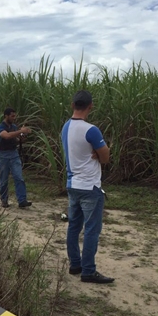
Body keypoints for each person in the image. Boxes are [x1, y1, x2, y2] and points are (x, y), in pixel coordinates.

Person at [61, 91, 114, 284]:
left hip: (72, 184)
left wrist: (95, 153)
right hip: (90, 186)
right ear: (90, 106)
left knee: (74, 226)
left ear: (72, 104)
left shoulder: (66, 127)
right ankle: (89, 270)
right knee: (91, 229)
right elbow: (106, 157)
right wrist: (98, 153)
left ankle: (75, 264)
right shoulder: (91, 130)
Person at [0, 108, 32, 208]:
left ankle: (22, 200)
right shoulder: (0, 127)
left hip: (14, 154)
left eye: (14, 116)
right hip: (3, 155)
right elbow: (6, 136)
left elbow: (15, 138)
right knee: (4, 179)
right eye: (12, 116)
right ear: (6, 116)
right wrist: (20, 131)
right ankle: (4, 199)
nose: (14, 118)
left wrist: (22, 135)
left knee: (19, 177)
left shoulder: (14, 126)